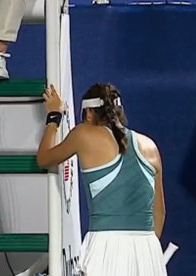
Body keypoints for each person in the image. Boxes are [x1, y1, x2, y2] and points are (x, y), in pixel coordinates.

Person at [36, 84, 167, 276]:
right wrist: (142, 249)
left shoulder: (83, 134)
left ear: (89, 113)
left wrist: (54, 117)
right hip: (149, 250)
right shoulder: (150, 146)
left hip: (107, 247)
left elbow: (44, 159)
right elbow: (160, 213)